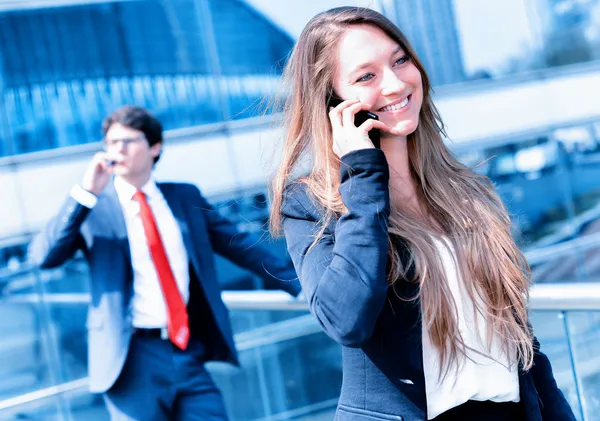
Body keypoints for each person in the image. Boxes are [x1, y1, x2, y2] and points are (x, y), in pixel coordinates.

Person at [269, 7, 575, 421]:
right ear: (333, 102)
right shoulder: (312, 205)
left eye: (400, 60)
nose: (395, 83)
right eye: (366, 76)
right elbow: (346, 320)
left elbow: (522, 343)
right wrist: (361, 176)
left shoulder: (466, 190)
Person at [29, 105, 301, 420]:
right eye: (112, 142)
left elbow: (239, 246)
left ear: (154, 147)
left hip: (186, 350)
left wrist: (299, 286)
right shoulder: (94, 210)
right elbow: (44, 257)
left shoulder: (183, 197)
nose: (118, 149)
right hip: (130, 359)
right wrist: (85, 193)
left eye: (128, 141)